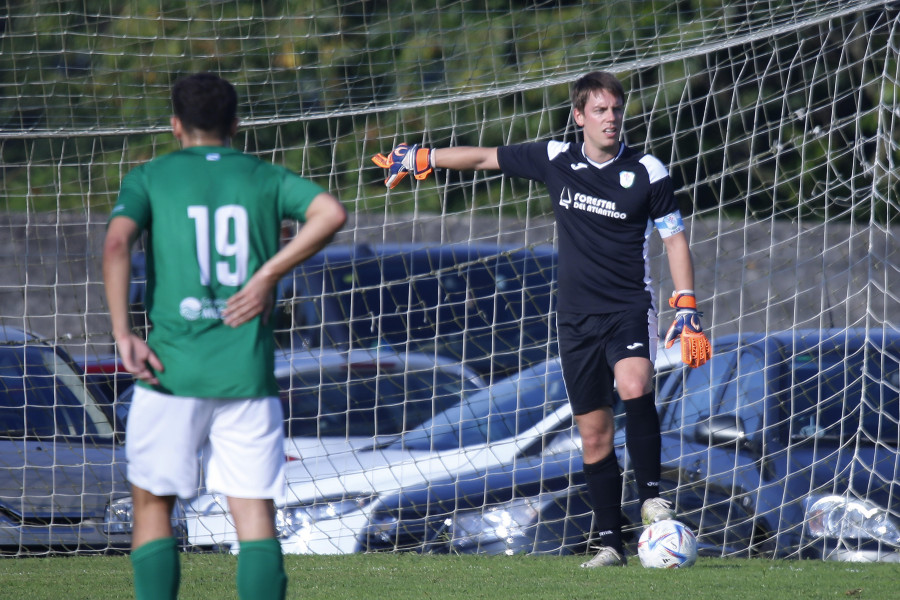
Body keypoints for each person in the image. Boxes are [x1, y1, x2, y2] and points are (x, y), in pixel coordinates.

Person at [372, 70, 711, 567]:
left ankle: (653, 496)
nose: (610, 118)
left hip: (628, 310)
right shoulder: (557, 159)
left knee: (636, 386)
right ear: (579, 117)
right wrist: (425, 157)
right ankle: (610, 543)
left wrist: (686, 300)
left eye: (616, 110)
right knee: (593, 433)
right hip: (574, 319)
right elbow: (486, 157)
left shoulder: (648, 171)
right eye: (599, 110)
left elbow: (674, 238)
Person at [103, 72, 347, 598]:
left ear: (175, 125)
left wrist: (123, 332)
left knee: (152, 506)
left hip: (170, 373)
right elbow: (331, 213)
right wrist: (266, 275)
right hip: (247, 376)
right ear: (235, 124)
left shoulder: (149, 177)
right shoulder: (263, 176)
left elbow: (116, 246)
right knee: (253, 514)